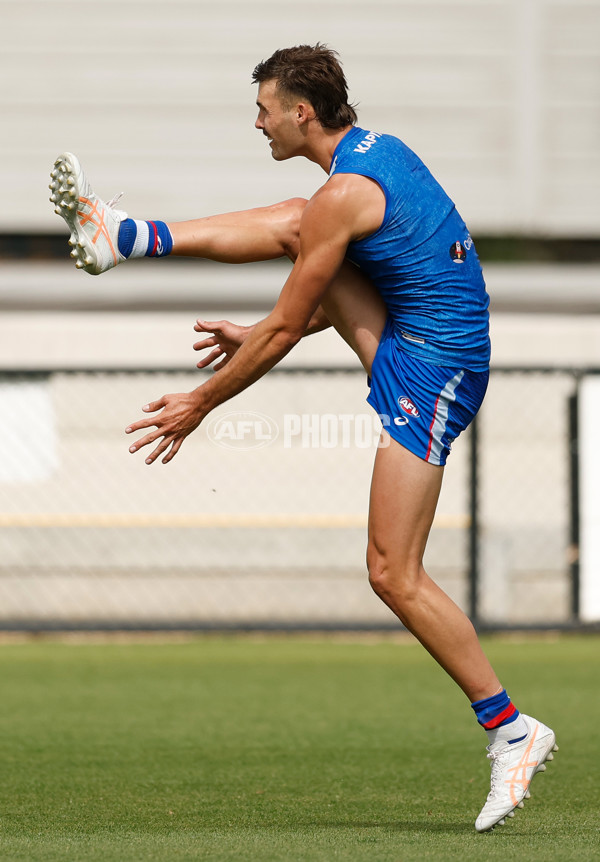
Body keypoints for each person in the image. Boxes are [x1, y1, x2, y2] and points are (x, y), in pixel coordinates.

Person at [50, 44, 557, 832]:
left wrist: (201, 402)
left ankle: (513, 729)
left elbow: (292, 322)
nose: (257, 122)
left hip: (433, 369)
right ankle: (128, 234)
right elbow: (338, 283)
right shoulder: (370, 159)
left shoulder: (346, 192)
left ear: (301, 112)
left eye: (264, 109)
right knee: (297, 219)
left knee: (391, 571)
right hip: (418, 342)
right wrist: (258, 331)